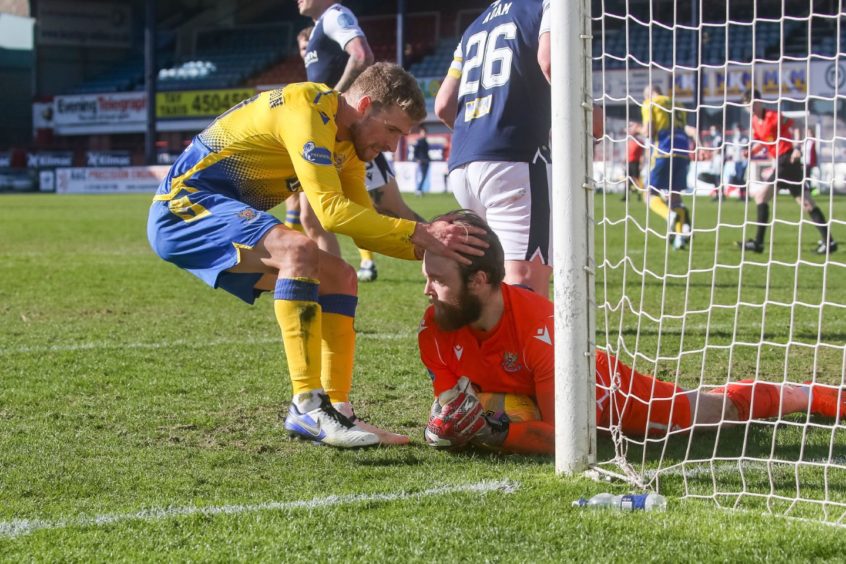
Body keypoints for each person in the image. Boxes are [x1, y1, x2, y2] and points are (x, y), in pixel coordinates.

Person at [147, 63, 489, 449]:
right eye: (392, 130)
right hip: (182, 207)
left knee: (341, 276)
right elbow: (330, 212)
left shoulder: (350, 144)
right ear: (364, 106)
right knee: (299, 249)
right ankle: (306, 405)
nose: (393, 146)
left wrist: (441, 249)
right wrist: (423, 233)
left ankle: (336, 408)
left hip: (220, 209)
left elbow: (367, 225)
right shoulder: (306, 109)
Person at [418, 211, 846, 454]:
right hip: (525, 394)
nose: (427, 291)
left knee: (718, 414)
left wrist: (495, 433)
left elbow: (566, 438)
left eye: (438, 280)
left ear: (478, 280)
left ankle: (808, 395)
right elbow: (449, 403)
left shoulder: (543, 331)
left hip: (608, 393)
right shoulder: (435, 329)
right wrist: (443, 425)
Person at [434, 0, 553, 298]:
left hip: (464, 162)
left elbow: (443, 104)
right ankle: (519, 346)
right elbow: (550, 62)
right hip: (516, 159)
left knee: (486, 282)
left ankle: (478, 346)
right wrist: (589, 120)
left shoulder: (475, 25)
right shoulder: (547, 5)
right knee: (523, 280)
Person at [298, 0, 422, 282]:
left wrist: (331, 102)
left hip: (354, 138)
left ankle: (458, 257)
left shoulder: (335, 15)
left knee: (394, 210)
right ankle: (332, 287)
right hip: (326, 137)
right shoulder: (320, 27)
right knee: (312, 218)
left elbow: (361, 54)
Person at [738, 90, 836, 255]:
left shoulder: (773, 115)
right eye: (747, 107)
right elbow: (764, 141)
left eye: (752, 104)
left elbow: (797, 125)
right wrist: (752, 151)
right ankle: (829, 242)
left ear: (759, 102)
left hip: (787, 159)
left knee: (761, 197)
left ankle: (758, 243)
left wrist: (797, 147)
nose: (750, 109)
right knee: (806, 203)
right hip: (786, 163)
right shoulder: (755, 121)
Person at [641, 84, 697, 251]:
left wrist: (639, 130)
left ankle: (668, 215)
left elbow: (648, 131)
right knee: (676, 198)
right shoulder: (678, 104)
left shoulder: (650, 103)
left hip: (663, 152)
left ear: (649, 94)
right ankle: (679, 240)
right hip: (683, 153)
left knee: (648, 194)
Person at [625, 121, 644, 202]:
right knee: (627, 179)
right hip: (628, 162)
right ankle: (626, 196)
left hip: (635, 163)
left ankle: (640, 194)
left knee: (636, 179)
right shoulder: (629, 141)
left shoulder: (639, 142)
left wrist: (641, 164)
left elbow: (642, 155)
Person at [413, 125, 430, 196]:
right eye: (423, 132)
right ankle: (418, 190)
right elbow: (415, 151)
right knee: (423, 176)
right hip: (422, 160)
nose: (424, 134)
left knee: (424, 176)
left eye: (425, 132)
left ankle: (420, 189)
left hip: (426, 160)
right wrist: (417, 159)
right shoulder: (419, 141)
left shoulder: (425, 141)